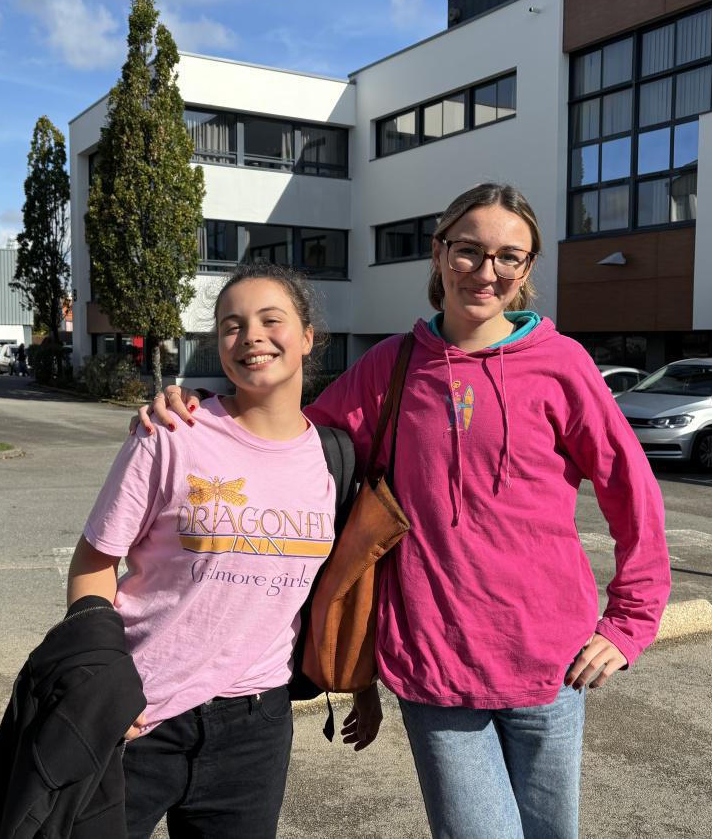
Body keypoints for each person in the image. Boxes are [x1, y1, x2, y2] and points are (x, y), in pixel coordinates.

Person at [140, 182, 670, 839]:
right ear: (439, 253)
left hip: (551, 659)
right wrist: (203, 408)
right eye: (469, 250)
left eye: (510, 256)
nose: (487, 271)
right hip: (433, 658)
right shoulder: (392, 367)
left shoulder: (563, 365)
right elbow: (287, 444)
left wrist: (629, 622)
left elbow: (631, 490)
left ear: (528, 269)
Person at [67, 262, 381, 839]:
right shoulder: (171, 433)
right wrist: (101, 681)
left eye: (271, 320)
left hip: (257, 726)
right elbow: (94, 562)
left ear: (308, 337)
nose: (251, 336)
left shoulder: (334, 459)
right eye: (232, 325)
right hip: (139, 714)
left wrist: (360, 678)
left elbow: (342, 587)